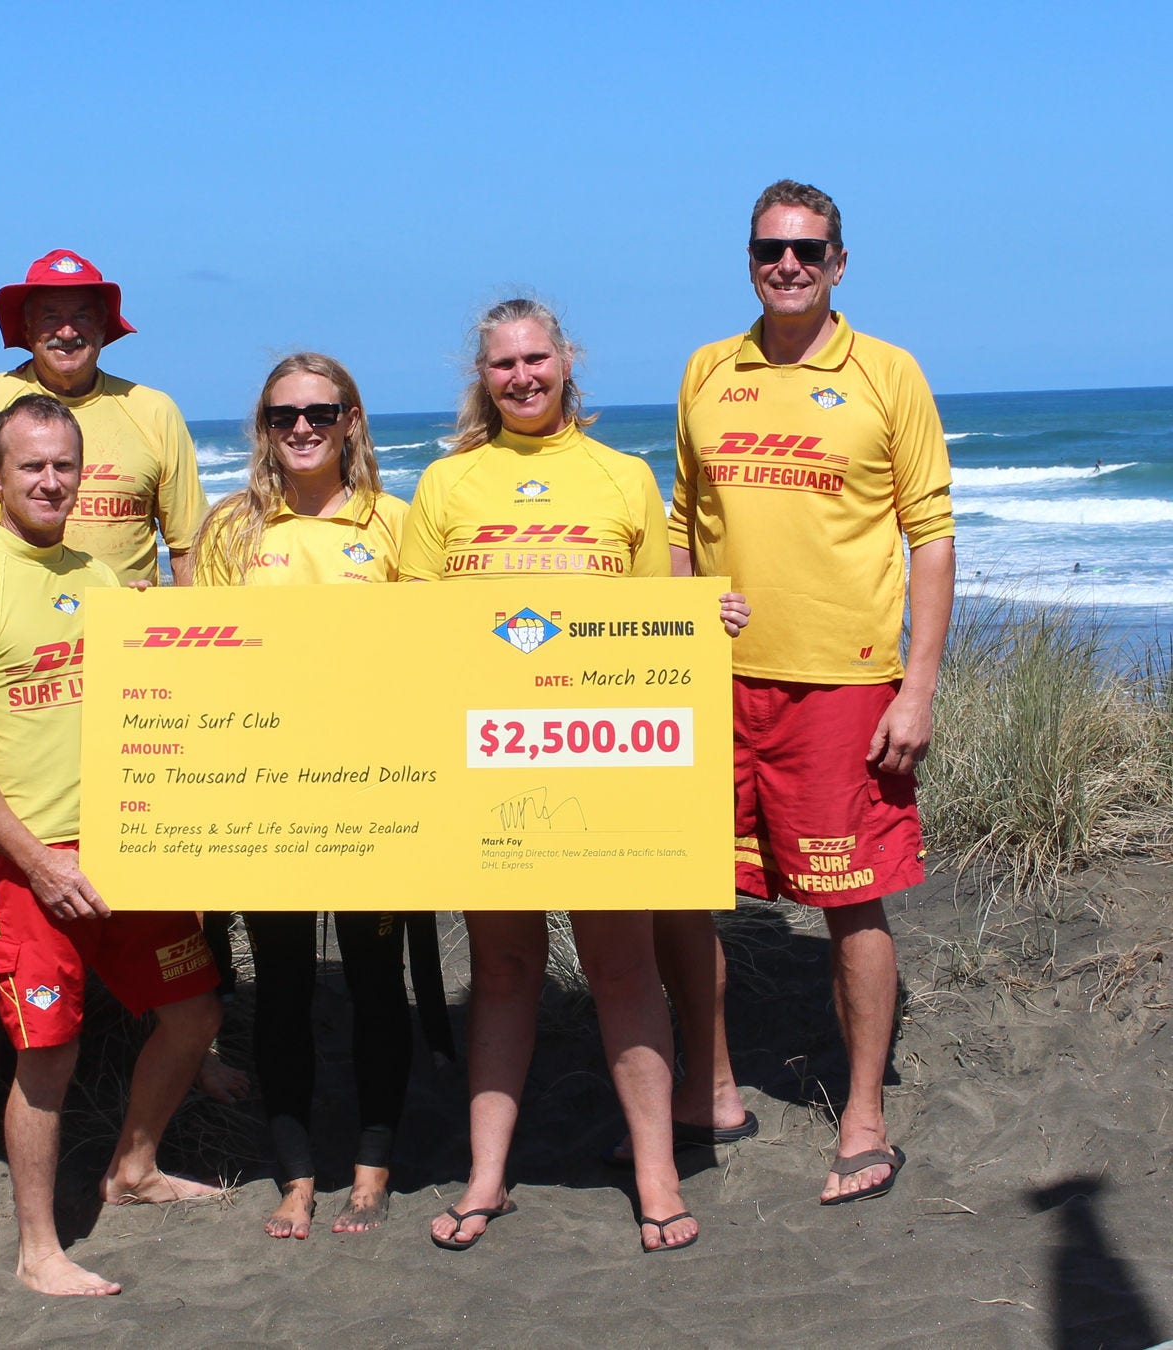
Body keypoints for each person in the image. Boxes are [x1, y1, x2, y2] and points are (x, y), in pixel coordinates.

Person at [402, 299, 749, 1255]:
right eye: (503, 363)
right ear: (484, 376)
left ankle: (656, 1177)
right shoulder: (447, 484)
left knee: (622, 966)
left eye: (536, 358)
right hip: (485, 762)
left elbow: (657, 623)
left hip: (603, 760)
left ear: (567, 362)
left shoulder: (622, 477)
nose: (521, 376)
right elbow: (410, 632)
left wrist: (698, 623)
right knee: (505, 970)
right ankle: (484, 1179)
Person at [666, 180, 954, 1206]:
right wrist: (680, 619)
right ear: (747, 258)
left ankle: (864, 1117)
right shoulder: (707, 369)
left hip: (843, 684)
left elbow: (929, 534)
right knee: (683, 892)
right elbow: (679, 524)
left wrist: (914, 689)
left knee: (846, 899)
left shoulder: (884, 373)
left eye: (805, 251)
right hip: (720, 684)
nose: (784, 265)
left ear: (838, 263)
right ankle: (707, 1092)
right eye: (767, 249)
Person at [0, 394, 224, 1296]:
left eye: (65, 465)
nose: (51, 481)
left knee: (195, 1012)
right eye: (31, 466)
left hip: (129, 848)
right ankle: (38, 1249)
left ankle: (133, 1167)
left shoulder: (98, 578)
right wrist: (40, 862)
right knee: (47, 1055)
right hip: (29, 864)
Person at [191, 353, 414, 1240]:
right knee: (278, 987)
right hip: (266, 791)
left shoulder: (399, 523)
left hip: (377, 791)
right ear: (265, 429)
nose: (304, 429)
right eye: (284, 417)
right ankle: (293, 1175)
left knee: (374, 983)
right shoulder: (230, 531)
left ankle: (373, 1161)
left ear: (352, 420)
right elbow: (198, 656)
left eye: (321, 412)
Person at [0, 249, 209, 589]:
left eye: (82, 316)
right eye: (50, 317)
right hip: (8, 629)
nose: (66, 331)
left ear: (104, 327)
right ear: (28, 329)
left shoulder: (153, 410)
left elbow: (189, 545)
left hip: (121, 630)